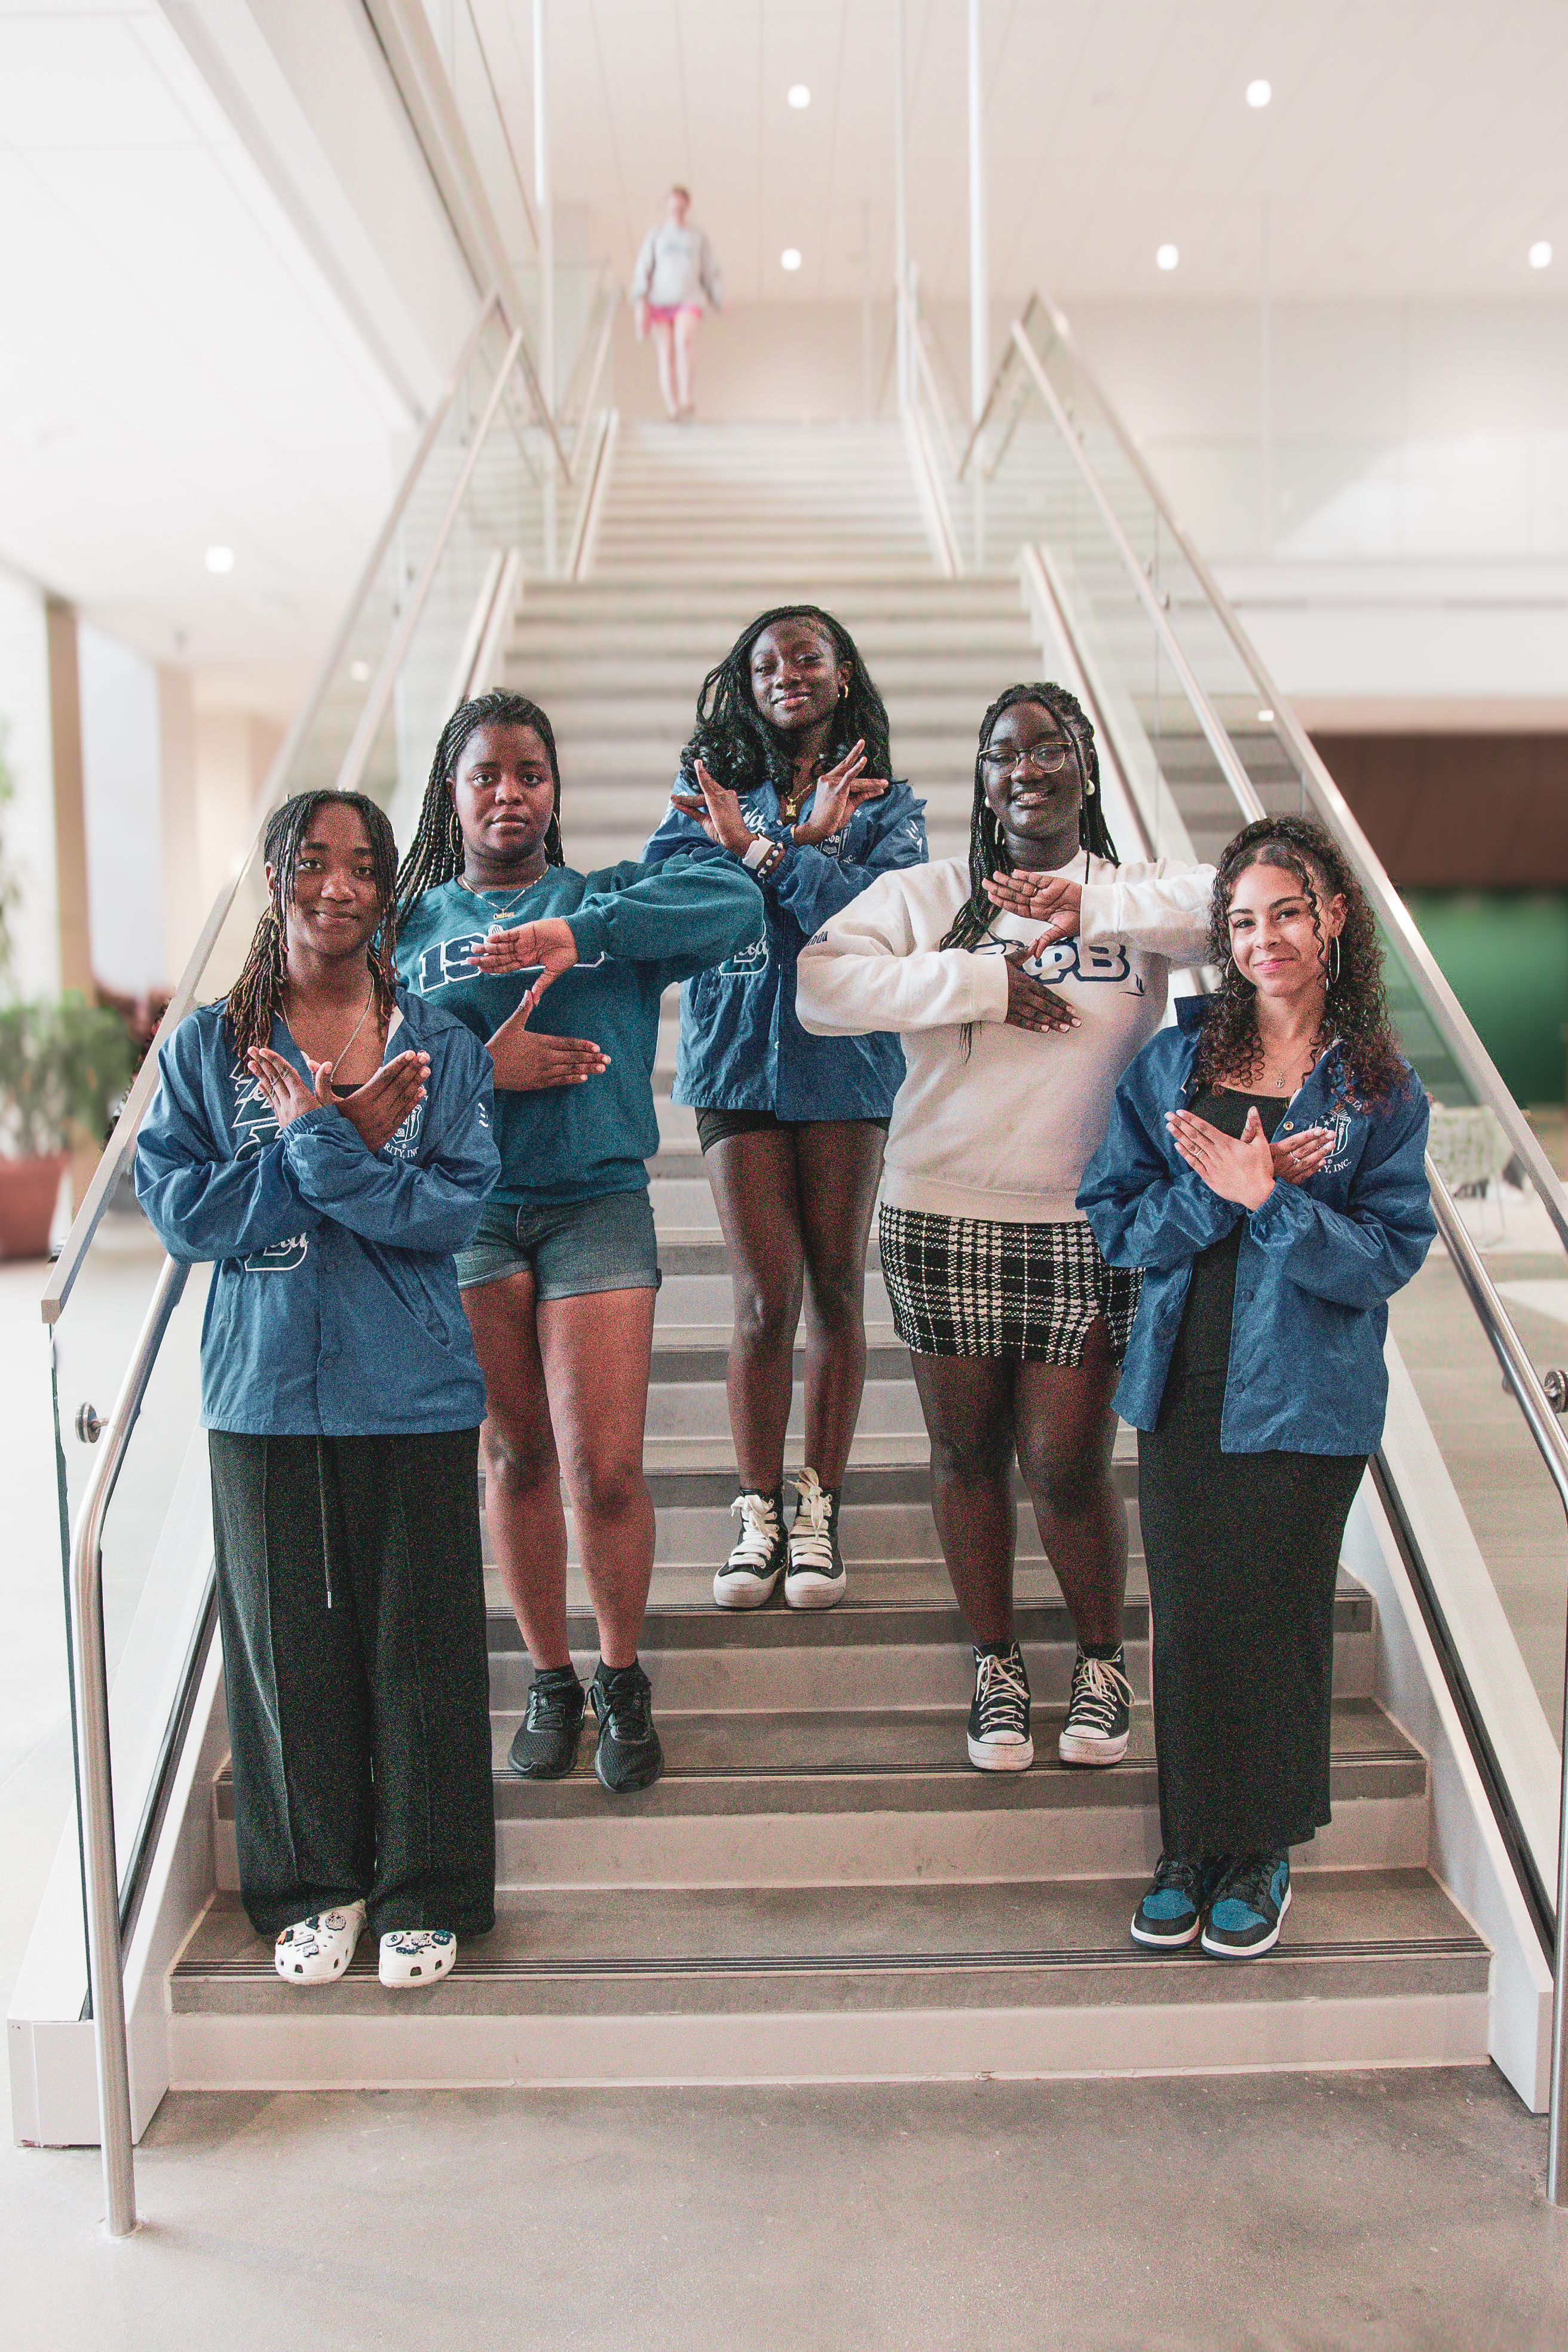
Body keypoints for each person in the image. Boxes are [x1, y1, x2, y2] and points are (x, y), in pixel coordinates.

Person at [795, 683, 1212, 1772]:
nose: (1025, 768)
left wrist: (1094, 910)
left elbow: (1237, 904)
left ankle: (1100, 1661)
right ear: (981, 781)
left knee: (1067, 1463)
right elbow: (820, 988)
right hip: (941, 1212)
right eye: (1001, 753)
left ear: (1085, 765)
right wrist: (979, 981)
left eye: (1048, 748)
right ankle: (994, 1665)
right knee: (966, 1453)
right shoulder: (931, 893)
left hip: (1087, 1222)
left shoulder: (1131, 893)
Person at [136, 790, 501, 1993]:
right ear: (273, 875)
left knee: (421, 1648)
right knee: (285, 1649)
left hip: (413, 1385)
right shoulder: (208, 1048)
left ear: (387, 890)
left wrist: (321, 1150)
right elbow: (184, 1215)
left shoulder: (439, 1048)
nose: (335, 885)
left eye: (360, 866)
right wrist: (330, 1143)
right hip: (262, 1389)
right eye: (310, 860)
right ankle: (310, 1886)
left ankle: (425, 1890)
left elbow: (447, 1212)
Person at [393, 689, 762, 1795]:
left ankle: (619, 1674)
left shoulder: (604, 899)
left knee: (605, 1471)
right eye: (486, 775)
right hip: (468, 1213)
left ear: (554, 792)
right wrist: (481, 1070)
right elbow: (366, 1068)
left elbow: (734, 902)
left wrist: (580, 935)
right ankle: (549, 1677)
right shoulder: (410, 930)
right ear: (452, 795)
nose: (508, 793)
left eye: (530, 774)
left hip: (595, 1204)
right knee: (514, 1456)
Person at [1079, 814, 1434, 1959]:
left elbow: (1384, 1254)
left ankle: (1261, 1850)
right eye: (1239, 921)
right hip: (1184, 1379)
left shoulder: (1377, 1089)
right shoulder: (1174, 1062)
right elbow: (1115, 1221)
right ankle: (1187, 1848)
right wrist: (1217, 1193)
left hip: (1307, 1392)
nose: (1261, 938)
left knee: (1275, 1620)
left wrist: (1269, 1203)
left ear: (1330, 919)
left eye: (1284, 912)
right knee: (1190, 1620)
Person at [642, 605, 928, 1611]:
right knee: (765, 1299)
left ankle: (819, 1506)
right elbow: (670, 900)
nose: (786, 674)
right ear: (745, 682)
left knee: (836, 1289)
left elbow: (876, 920)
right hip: (733, 1063)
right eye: (766, 663)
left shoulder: (889, 805)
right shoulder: (705, 789)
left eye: (806, 657)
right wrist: (790, 844)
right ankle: (757, 1508)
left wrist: (763, 856)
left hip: (845, 1066)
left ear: (842, 674)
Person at [631, 184, 724, 421]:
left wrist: (718, 299)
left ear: (687, 207)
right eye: (673, 207)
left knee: (684, 340)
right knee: (667, 353)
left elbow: (710, 271)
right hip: (659, 301)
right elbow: (642, 270)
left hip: (689, 297)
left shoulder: (697, 237)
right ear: (667, 207)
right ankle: (673, 408)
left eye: (681, 207)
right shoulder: (656, 234)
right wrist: (640, 305)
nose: (677, 211)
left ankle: (686, 400)